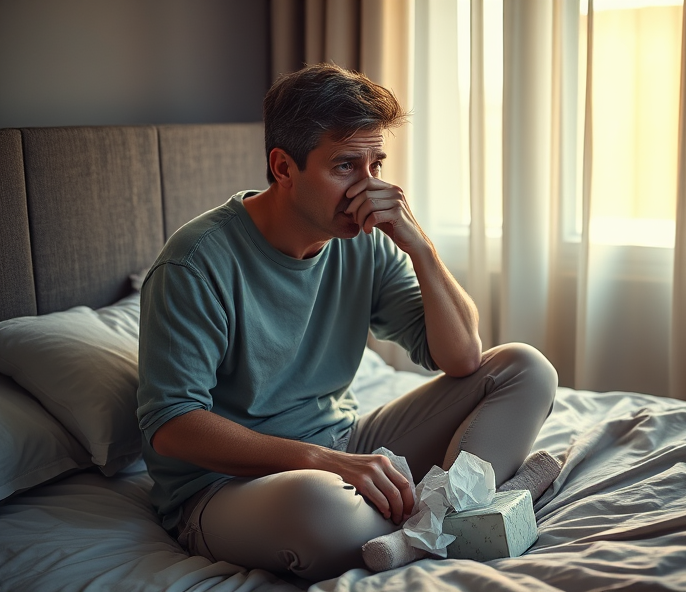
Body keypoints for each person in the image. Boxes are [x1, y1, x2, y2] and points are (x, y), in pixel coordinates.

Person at [136, 63, 560, 583]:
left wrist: (420, 248)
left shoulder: (366, 241)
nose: (368, 189)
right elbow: (171, 426)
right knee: (320, 509)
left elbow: (462, 358)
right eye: (345, 166)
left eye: (376, 165)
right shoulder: (194, 263)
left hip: (346, 444)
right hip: (227, 488)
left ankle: (433, 520)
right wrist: (324, 464)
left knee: (525, 368)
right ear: (284, 167)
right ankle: (469, 508)